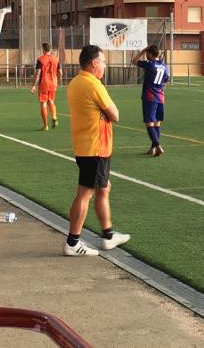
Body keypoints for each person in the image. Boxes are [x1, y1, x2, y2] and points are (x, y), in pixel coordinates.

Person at [65, 45, 130, 256]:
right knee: (85, 193)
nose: (104, 65)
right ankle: (73, 243)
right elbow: (116, 114)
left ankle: (109, 236)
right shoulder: (94, 84)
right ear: (94, 63)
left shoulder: (75, 82)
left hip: (84, 145)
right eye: (102, 61)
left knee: (103, 188)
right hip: (96, 147)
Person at [131, 45, 169, 156]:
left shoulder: (149, 64)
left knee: (149, 122)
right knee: (157, 122)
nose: (146, 56)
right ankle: (153, 148)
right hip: (160, 96)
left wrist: (142, 51)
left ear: (150, 55)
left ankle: (158, 145)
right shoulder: (164, 65)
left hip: (150, 96)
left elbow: (134, 61)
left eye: (148, 54)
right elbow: (166, 80)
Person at [31, 43, 62, 131]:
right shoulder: (56, 59)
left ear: (43, 50)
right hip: (53, 83)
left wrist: (34, 85)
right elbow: (60, 72)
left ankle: (45, 126)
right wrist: (57, 81)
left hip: (44, 84)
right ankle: (54, 117)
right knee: (51, 101)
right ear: (50, 50)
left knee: (43, 103)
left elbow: (38, 74)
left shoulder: (41, 60)